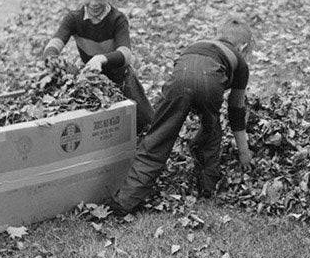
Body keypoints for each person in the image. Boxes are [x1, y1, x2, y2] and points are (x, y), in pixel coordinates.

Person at [108, 15, 255, 215]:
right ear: (243, 47)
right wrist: (244, 152)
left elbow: (182, 69)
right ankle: (207, 188)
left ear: (218, 36)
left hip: (179, 76)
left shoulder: (201, 44)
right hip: (209, 83)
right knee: (211, 134)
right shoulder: (240, 62)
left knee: (157, 140)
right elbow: (236, 110)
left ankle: (123, 202)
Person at [44, 0, 154, 134]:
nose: (94, 3)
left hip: (121, 79)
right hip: (92, 81)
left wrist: (101, 58)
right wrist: (51, 57)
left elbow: (125, 54)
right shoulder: (73, 19)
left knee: (144, 123)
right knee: (102, 128)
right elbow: (56, 41)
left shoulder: (117, 20)